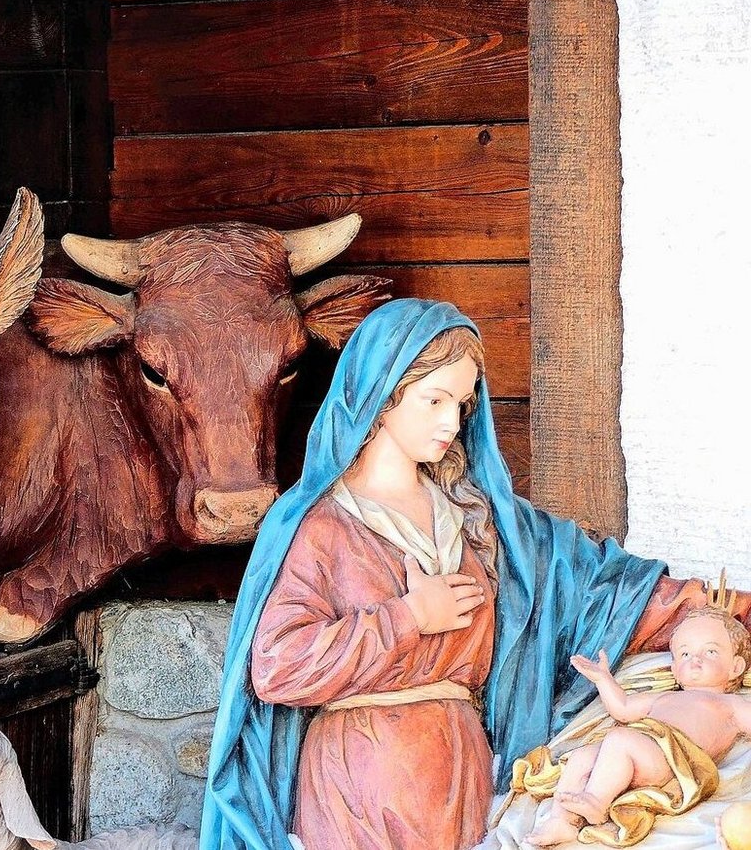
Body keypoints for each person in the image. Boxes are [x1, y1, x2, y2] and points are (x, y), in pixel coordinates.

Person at [199, 299, 750, 850]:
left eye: (462, 405)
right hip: (363, 778)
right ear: (381, 395)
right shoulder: (323, 525)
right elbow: (277, 666)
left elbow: (595, 588)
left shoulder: (477, 518)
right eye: (433, 399)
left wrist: (728, 610)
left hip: (465, 770)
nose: (450, 422)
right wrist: (409, 616)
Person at [525, 608, 751, 846]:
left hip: (672, 761)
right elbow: (622, 708)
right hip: (637, 749)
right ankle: (562, 822)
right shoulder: (662, 697)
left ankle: (596, 802)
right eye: (685, 653)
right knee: (581, 758)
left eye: (711, 651)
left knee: (620, 739)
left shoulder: (731, 704)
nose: (695, 659)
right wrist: (604, 679)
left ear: (736, 667)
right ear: (674, 670)